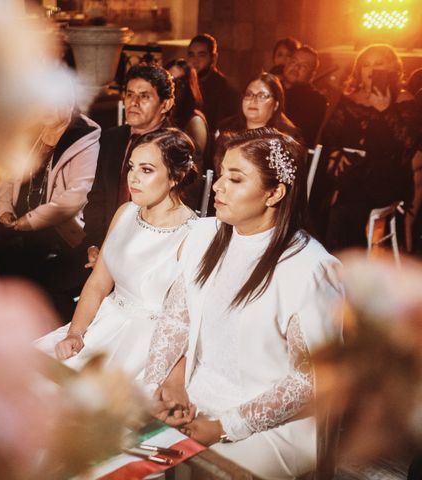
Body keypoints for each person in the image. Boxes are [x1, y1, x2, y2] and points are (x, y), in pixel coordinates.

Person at [144, 128, 344, 479]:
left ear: (275, 192)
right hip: (196, 394)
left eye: (235, 179)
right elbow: (177, 319)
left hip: (272, 424)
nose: (218, 186)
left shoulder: (310, 268)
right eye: (221, 174)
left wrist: (223, 426)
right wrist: (172, 384)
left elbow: (311, 379)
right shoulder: (203, 236)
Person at [36, 128, 198, 380]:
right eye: (131, 168)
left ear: (176, 176)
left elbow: (190, 321)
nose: (132, 178)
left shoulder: (193, 234)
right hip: (101, 320)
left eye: (146, 170)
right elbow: (99, 283)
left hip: (145, 343)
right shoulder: (125, 212)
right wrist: (76, 334)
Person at [0, 103, 101, 320]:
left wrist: (29, 221)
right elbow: (8, 174)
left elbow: (75, 197)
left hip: (60, 233)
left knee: (42, 286)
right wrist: (4, 209)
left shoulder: (85, 134)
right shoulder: (31, 128)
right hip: (19, 226)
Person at [309, 44, 420, 251]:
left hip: (388, 174)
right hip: (349, 170)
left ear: (393, 68)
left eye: (379, 64)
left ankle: (344, 260)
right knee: (316, 191)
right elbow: (329, 135)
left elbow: (408, 143)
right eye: (366, 65)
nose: (371, 69)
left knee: (347, 205)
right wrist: (337, 154)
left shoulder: (403, 99)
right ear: (359, 71)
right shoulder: (350, 98)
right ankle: (316, 255)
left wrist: (385, 109)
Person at [83, 64, 175, 267]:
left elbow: (175, 213)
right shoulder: (111, 138)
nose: (133, 102)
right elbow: (96, 198)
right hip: (103, 247)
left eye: (144, 96)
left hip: (149, 256)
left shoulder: (174, 146)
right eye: (130, 94)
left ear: (165, 104)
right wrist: (94, 244)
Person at [215, 72, 301, 170]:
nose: (253, 100)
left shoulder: (286, 140)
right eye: (249, 94)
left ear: (276, 104)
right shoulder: (226, 129)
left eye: (262, 96)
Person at [166, 58, 209, 211]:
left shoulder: (195, 120)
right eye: (170, 80)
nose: (174, 87)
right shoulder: (167, 115)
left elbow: (194, 170)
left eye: (179, 82)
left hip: (184, 194)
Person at [186, 34, 239, 134]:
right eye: (191, 55)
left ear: (213, 58)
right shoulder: (184, 84)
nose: (195, 61)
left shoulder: (226, 90)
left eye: (201, 55)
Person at [282, 46, 328, 148]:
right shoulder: (270, 87)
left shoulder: (316, 101)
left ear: (312, 75)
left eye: (304, 66)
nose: (296, 67)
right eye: (294, 62)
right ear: (287, 62)